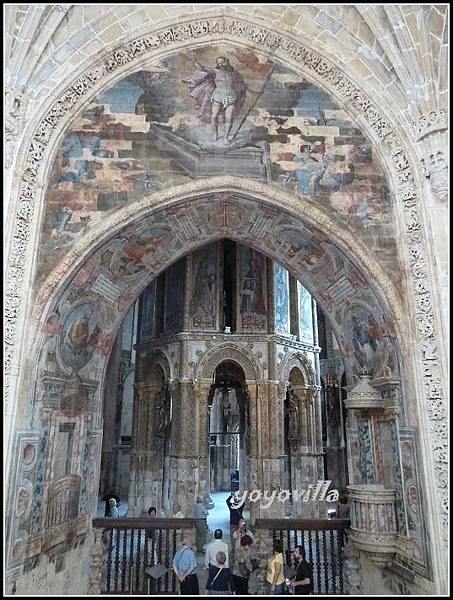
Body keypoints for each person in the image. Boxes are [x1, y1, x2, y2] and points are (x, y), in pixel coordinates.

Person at [185, 55, 246, 143]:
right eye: (219, 62)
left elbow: (242, 85)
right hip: (218, 95)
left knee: (229, 118)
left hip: (231, 97)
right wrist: (195, 61)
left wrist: (256, 92)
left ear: (227, 62)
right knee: (214, 116)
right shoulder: (215, 71)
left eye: (222, 62)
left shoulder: (234, 73)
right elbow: (202, 68)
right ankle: (215, 134)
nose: (221, 64)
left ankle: (225, 138)